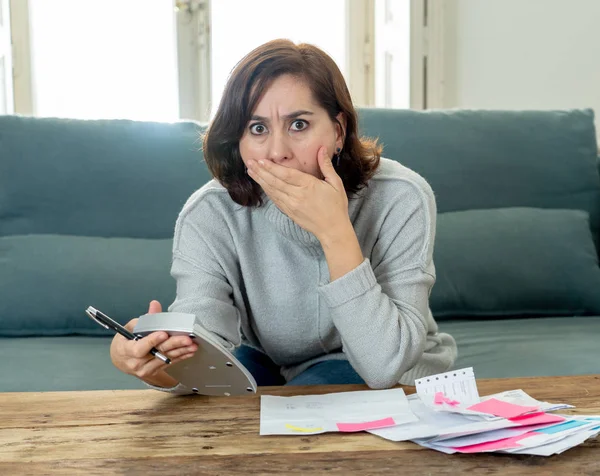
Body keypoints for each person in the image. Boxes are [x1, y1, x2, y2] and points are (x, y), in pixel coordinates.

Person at [110, 39, 457, 394]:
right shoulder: (210, 212)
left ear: (338, 131)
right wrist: (154, 364)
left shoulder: (401, 195)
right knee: (211, 403)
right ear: (238, 141)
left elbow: (383, 365)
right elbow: (203, 343)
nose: (277, 153)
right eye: (257, 129)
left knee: (312, 400)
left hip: (381, 361)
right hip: (265, 359)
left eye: (299, 125)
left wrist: (334, 231)